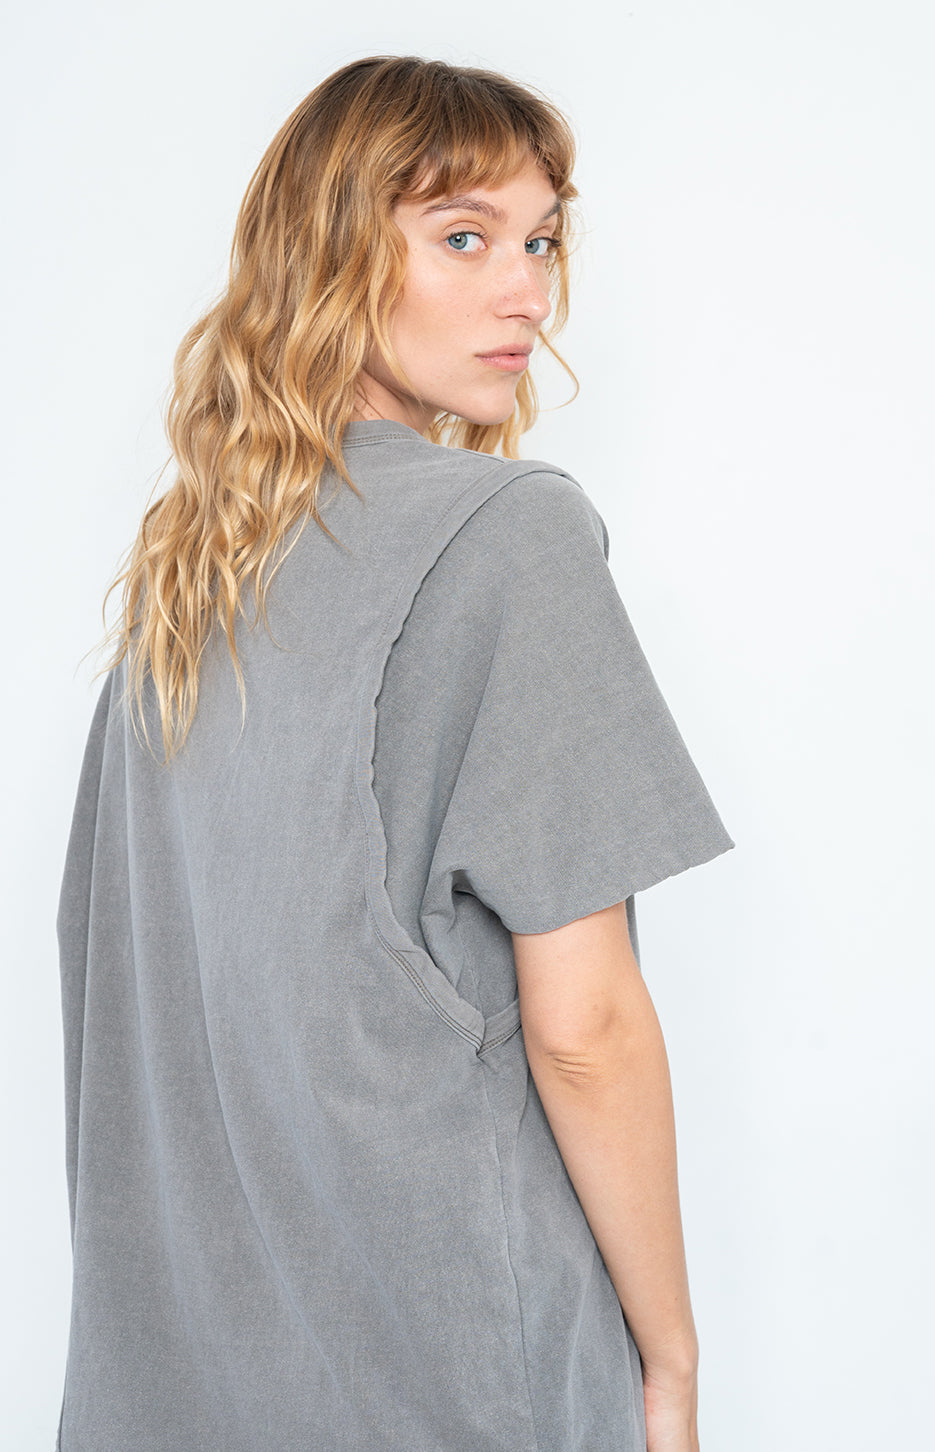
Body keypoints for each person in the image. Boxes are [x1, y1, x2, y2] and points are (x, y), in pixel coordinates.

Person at [56, 55, 733, 1452]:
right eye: (463, 237)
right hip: (449, 1367)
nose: (526, 293)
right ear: (328, 253)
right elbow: (586, 1026)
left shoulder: (188, 577)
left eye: (540, 240)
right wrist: (667, 1360)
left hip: (177, 1380)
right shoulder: (507, 534)